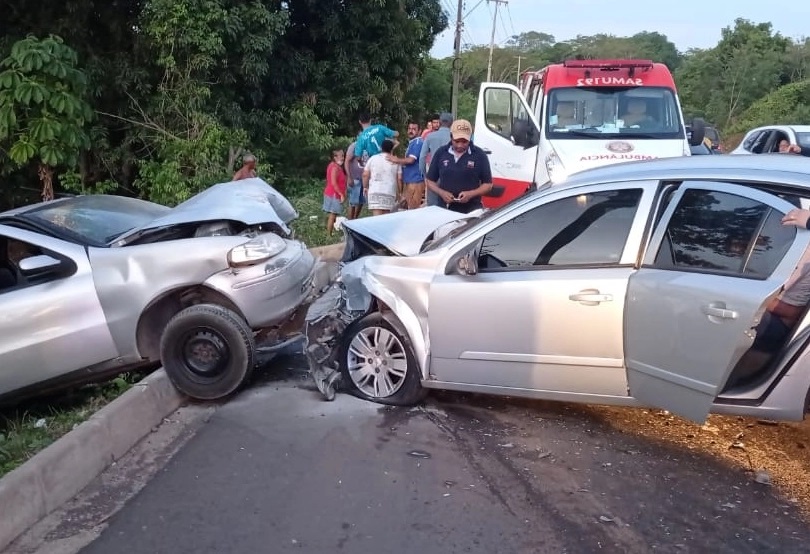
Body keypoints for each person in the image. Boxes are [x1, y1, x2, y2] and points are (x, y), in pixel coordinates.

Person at [425, 119, 493, 214]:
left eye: (464, 142)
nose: (460, 145)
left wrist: (471, 194)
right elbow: (430, 180)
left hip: (471, 211)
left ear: (470, 138)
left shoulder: (479, 155)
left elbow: (488, 185)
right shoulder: (441, 153)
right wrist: (442, 193)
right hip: (444, 209)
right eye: (456, 141)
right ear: (451, 137)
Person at [387, 121, 425, 209]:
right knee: (410, 207)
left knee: (413, 208)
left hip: (415, 180)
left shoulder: (417, 142)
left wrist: (396, 160)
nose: (411, 131)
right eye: (409, 129)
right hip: (411, 179)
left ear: (419, 131)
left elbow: (411, 160)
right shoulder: (412, 142)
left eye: (414, 129)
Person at [419, 112, 453, 206]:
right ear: (451, 123)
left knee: (433, 206)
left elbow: (422, 157)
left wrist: (425, 175)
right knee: (449, 205)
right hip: (450, 175)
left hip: (433, 175)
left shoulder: (430, 136)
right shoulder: (454, 137)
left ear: (440, 122)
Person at [363, 139, 402, 216]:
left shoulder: (373, 158)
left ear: (381, 148)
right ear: (392, 149)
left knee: (376, 217)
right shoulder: (396, 161)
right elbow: (399, 178)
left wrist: (365, 187)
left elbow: (365, 175)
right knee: (385, 218)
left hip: (375, 191)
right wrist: (400, 192)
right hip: (389, 192)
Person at [322, 149, 347, 236]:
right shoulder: (335, 167)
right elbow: (333, 182)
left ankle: (330, 230)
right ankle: (329, 234)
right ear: (335, 157)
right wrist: (341, 194)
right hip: (334, 195)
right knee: (333, 215)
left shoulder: (334, 166)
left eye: (343, 155)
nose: (343, 158)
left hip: (332, 193)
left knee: (333, 215)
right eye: (341, 156)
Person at [345, 138, 366, 219]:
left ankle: (355, 219)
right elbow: (347, 161)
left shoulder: (369, 146)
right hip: (355, 178)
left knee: (361, 202)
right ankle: (350, 223)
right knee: (353, 203)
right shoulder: (354, 146)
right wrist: (349, 177)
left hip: (364, 179)